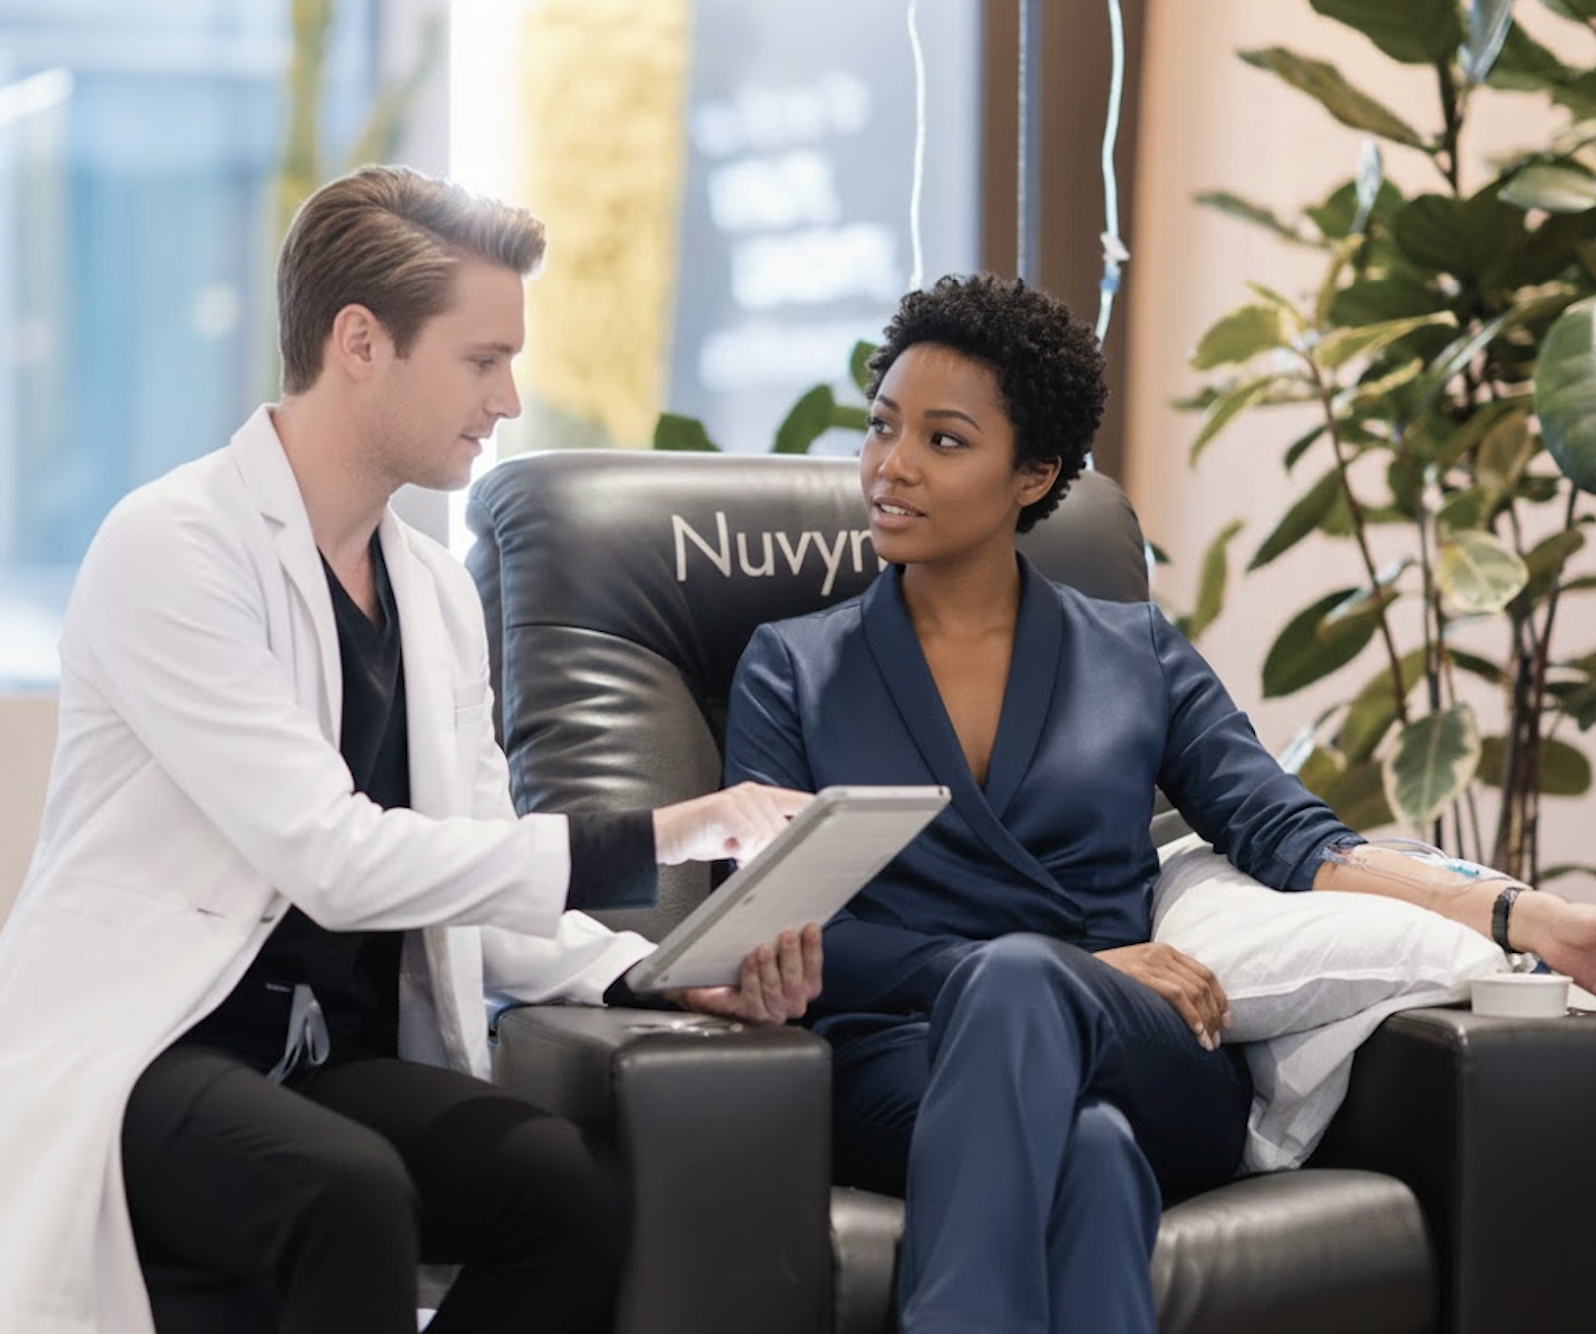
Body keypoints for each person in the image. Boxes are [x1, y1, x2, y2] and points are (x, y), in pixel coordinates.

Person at [0, 164, 822, 1334]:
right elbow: (334, 856)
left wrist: (646, 971)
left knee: (568, 1195)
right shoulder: (172, 548)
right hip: (154, 1041)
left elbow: (474, 870)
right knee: (352, 1194)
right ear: (360, 340)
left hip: (323, 1054)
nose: (511, 398)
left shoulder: (432, 589)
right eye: (482, 359)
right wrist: (670, 829)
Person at [721, 272, 1596, 1334]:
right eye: (880, 426)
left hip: (1144, 1048)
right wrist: (1051, 963)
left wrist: (1522, 915)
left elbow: (1289, 834)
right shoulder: (790, 668)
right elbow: (775, 931)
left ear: (1033, 472)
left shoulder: (1132, 650)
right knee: (1085, 1151)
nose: (890, 465)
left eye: (944, 440)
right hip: (905, 1055)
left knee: (1037, 1002)